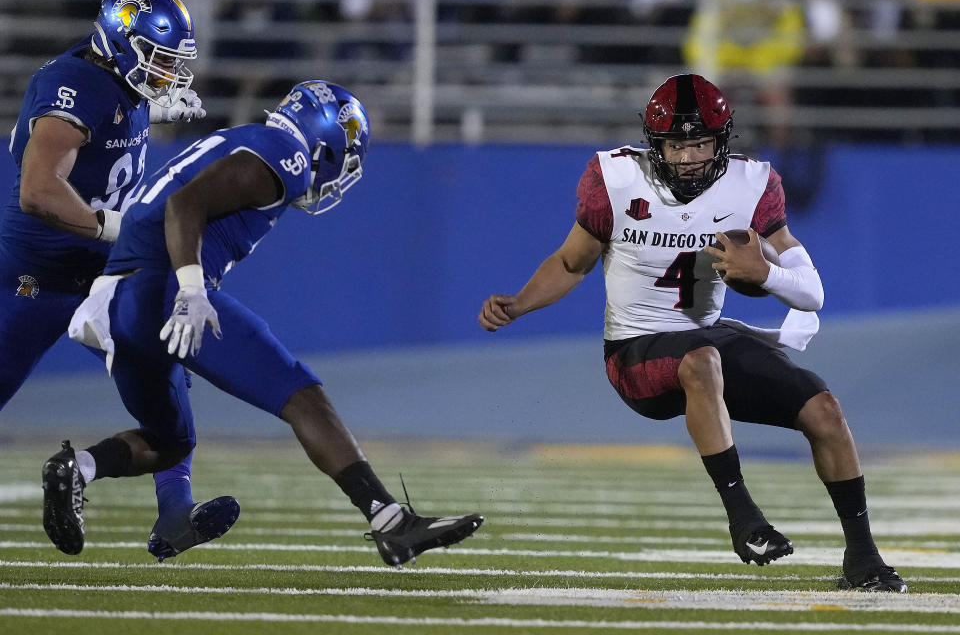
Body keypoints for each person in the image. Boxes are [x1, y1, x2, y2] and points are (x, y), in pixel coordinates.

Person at [478, 73, 906, 593]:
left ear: (722, 141)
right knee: (701, 359)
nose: (687, 157)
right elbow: (572, 263)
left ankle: (864, 560)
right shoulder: (614, 178)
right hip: (635, 351)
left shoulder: (752, 186)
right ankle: (744, 518)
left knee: (824, 409)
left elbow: (812, 293)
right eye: (675, 144)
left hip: (709, 337)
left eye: (699, 142)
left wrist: (766, 275)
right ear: (654, 144)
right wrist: (520, 303)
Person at [43, 80, 484, 568]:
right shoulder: (286, 155)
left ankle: (78, 468)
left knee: (171, 442)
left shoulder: (248, 139)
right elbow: (183, 206)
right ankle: (390, 522)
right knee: (298, 392)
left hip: (116, 302)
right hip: (160, 290)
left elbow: (157, 211)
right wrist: (190, 289)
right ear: (326, 142)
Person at [0, 0, 239, 561]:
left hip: (105, 272)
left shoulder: (122, 87)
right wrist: (109, 226)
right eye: (157, 58)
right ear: (118, 43)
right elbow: (38, 190)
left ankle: (175, 513)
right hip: (40, 275)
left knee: (170, 382)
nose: (169, 72)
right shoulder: (75, 84)